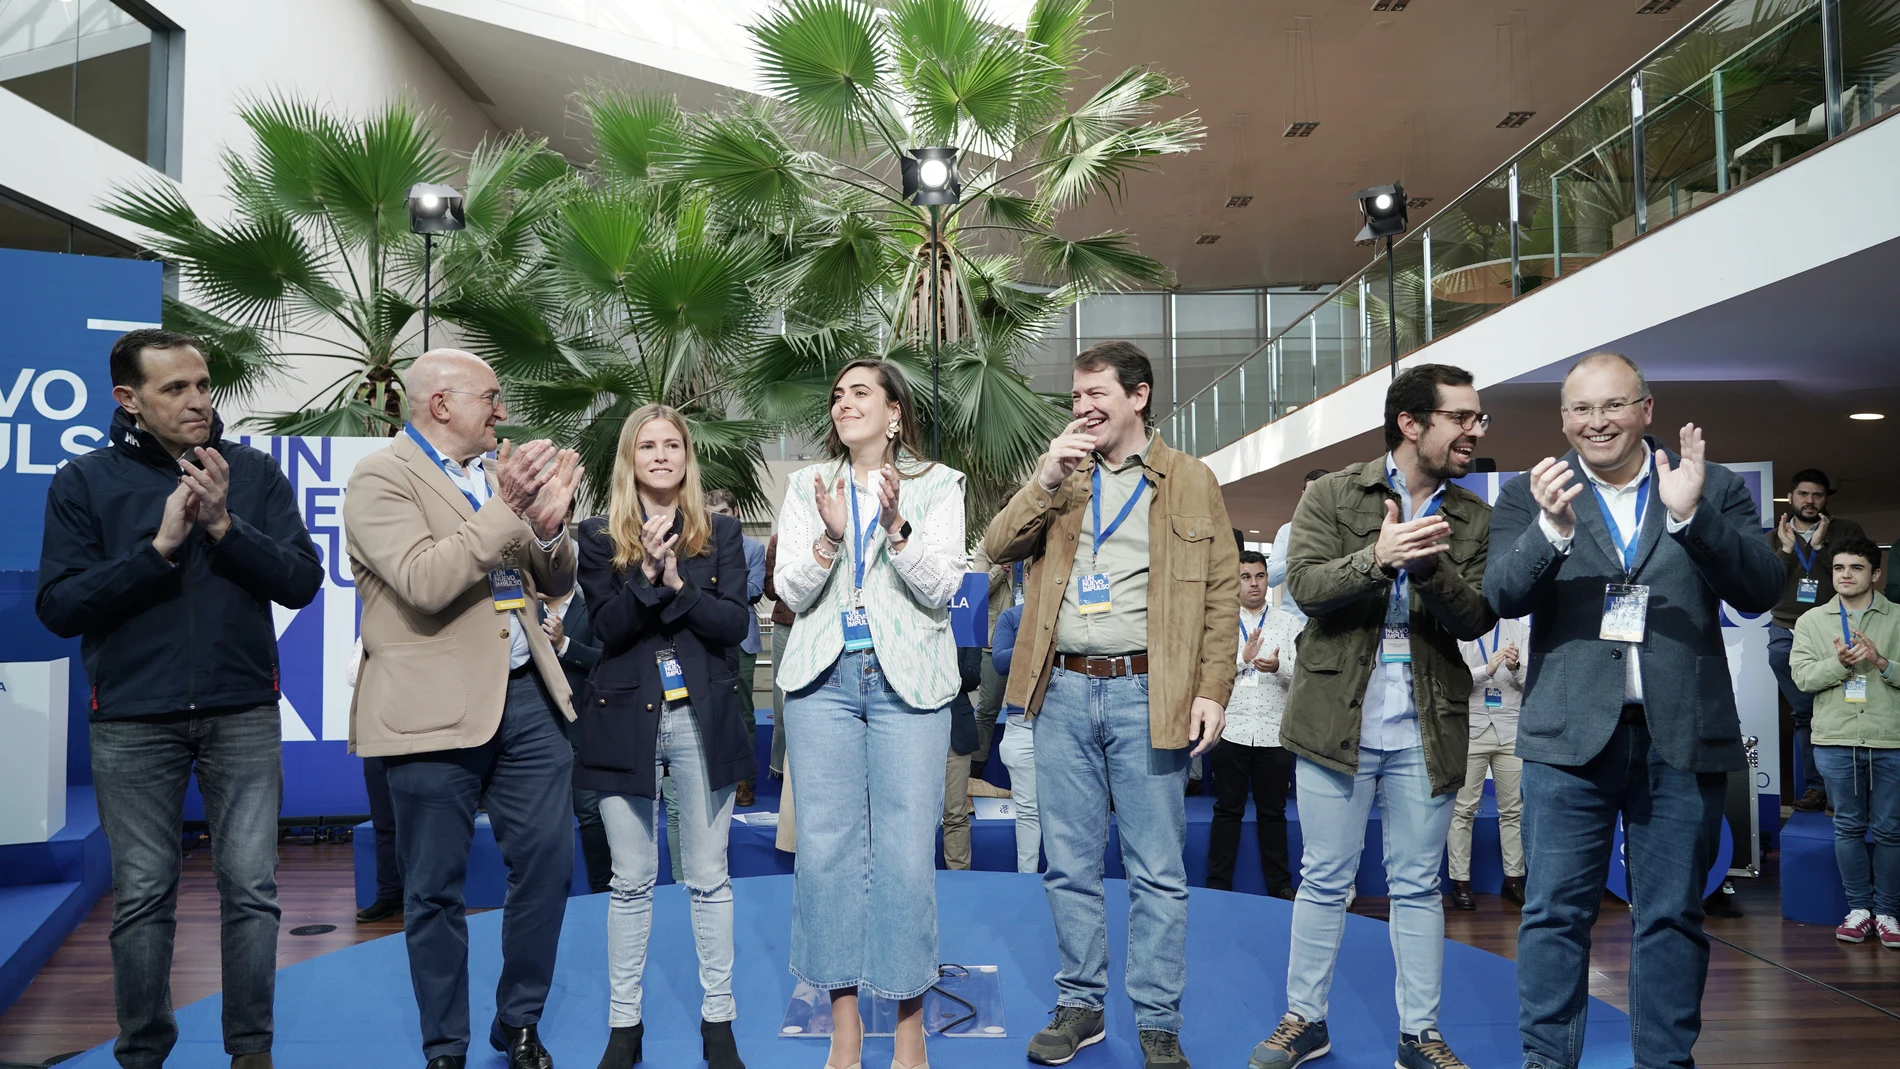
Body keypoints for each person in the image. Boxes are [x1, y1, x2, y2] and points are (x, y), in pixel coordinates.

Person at [1485, 351, 1782, 1069]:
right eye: (1582, 410)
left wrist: (1692, 518)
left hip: (1682, 738)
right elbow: (1501, 595)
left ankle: (1665, 1062)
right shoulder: (1533, 492)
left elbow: (1762, 588)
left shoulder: (1706, 488)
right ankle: (1547, 1061)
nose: (1597, 422)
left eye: (1613, 405)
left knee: (1674, 916)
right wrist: (1551, 532)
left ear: (1646, 409)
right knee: (1555, 914)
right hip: (1567, 741)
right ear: (1564, 419)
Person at [36, 328, 323, 1069]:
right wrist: (156, 552)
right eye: (176, 388)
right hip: (132, 719)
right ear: (128, 400)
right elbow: (60, 605)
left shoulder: (253, 473)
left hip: (242, 712)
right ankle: (141, 1053)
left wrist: (225, 526)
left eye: (202, 384)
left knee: (253, 891)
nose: (198, 400)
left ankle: (250, 1052)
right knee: (140, 897)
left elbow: (300, 580)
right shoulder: (83, 482)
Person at [984, 340, 1238, 1069]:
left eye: (1097, 393)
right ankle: (1081, 1005)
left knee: (1157, 869)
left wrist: (1213, 690)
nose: (1083, 407)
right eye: (1076, 397)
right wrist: (1042, 479)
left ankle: (1157, 1019)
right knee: (1068, 862)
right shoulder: (1063, 477)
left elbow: (1222, 594)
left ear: (1139, 395)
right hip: (1061, 688)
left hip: (1148, 690)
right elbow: (997, 545)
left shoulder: (1192, 480)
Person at [1248, 363, 1496, 1069]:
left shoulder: (1475, 515)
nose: (1474, 430)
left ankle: (1421, 1034)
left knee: (1417, 882)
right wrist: (1378, 558)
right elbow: (1306, 586)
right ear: (1411, 424)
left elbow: (1478, 612)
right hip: (1333, 714)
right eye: (1461, 417)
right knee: (1325, 874)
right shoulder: (1332, 492)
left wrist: (1426, 567)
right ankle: (1305, 1019)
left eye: (1478, 418)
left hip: (1430, 717)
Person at [344, 348, 584, 1069]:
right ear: (441, 404)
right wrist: (506, 509)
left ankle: (518, 1021)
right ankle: (444, 1046)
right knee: (433, 888)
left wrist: (547, 527)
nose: (503, 410)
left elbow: (555, 573)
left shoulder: (493, 477)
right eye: (491, 394)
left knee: (547, 860)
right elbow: (423, 579)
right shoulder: (379, 477)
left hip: (527, 698)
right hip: (430, 710)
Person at [773, 359, 967, 1069]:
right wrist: (828, 538)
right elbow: (789, 587)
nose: (843, 402)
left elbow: (944, 588)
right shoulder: (804, 487)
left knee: (906, 854)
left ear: (893, 413)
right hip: (823, 678)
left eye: (860, 392)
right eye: (836, 395)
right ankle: (845, 1028)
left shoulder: (940, 485)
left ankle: (910, 1027)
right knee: (825, 852)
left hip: (909, 678)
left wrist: (896, 527)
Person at [574, 404, 755, 1069]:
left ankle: (719, 1021)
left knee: (709, 877)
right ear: (630, 458)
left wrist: (677, 579)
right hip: (622, 720)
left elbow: (733, 625)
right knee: (630, 879)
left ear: (687, 456)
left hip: (702, 719)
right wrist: (648, 574)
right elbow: (608, 629)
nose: (659, 454)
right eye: (646, 445)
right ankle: (625, 1027)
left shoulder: (723, 533)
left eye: (670, 443)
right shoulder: (598, 538)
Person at [1789, 537, 1900, 948]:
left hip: (1891, 739)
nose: (1846, 575)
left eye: (1855, 568)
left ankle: (1887, 913)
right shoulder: (1812, 621)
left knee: (1890, 831)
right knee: (1848, 828)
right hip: (1836, 739)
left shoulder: (1898, 618)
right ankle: (1859, 910)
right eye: (1838, 568)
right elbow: (1802, 678)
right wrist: (1840, 663)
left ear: (1875, 573)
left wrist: (1880, 662)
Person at [1765, 469, 1867, 813]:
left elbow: (1854, 575)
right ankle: (1818, 789)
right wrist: (1787, 550)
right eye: (1803, 494)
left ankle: (1848, 793)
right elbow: (1765, 585)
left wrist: (1822, 547)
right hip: (1785, 630)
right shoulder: (1772, 537)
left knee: (1846, 709)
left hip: (1834, 627)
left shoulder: (1846, 532)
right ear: (1791, 497)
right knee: (1805, 713)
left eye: (1818, 495)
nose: (1810, 501)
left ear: (1827, 499)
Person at [1209, 550, 1300, 899]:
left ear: (1267, 579)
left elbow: (1300, 677)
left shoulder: (1289, 624)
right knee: (1227, 810)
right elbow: (1208, 673)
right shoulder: (1220, 624)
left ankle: (1280, 884)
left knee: (1273, 813)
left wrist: (1279, 668)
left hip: (1273, 733)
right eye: (1245, 577)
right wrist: (1240, 660)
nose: (1253, 583)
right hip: (1229, 728)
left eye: (1259, 576)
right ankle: (1218, 884)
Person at [1447, 615, 1530, 911]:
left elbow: (1533, 680)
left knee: (1514, 810)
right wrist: (1487, 670)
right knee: (1463, 809)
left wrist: (1515, 667)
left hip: (1510, 729)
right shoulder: (1459, 628)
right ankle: (1460, 882)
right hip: (1471, 728)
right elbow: (1451, 682)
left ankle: (1514, 880)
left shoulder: (1520, 630)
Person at [538, 572, 613, 895]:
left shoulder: (593, 609)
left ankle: (601, 889)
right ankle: (540, 892)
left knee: (590, 814)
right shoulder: (520, 611)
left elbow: (605, 660)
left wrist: (564, 644)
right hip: (534, 728)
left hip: (581, 729)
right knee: (537, 818)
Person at [708, 488, 765, 808]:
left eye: (724, 514)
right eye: (712, 516)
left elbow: (755, 589)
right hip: (705, 636)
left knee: (743, 712)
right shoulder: (697, 547)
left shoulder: (753, 548)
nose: (718, 521)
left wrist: (714, 584)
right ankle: (710, 781)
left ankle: (745, 782)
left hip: (741, 638)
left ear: (736, 512)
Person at [349, 636, 405, 923]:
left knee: (422, 822)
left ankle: (424, 894)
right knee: (384, 822)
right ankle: (390, 894)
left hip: (417, 734)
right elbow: (351, 675)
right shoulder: (368, 628)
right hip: (375, 734)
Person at [990, 597, 1040, 872]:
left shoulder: (1070, 610)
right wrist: (1036, 639)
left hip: (1066, 722)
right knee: (1028, 811)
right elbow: (999, 661)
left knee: (1072, 813)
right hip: (1021, 725)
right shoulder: (1012, 617)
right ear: (1030, 578)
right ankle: (1027, 881)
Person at [1267, 469, 1329, 622]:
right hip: (1295, 622)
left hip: (1334, 623)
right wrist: (1297, 557)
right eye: (1311, 493)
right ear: (1303, 495)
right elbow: (1271, 578)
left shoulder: (1343, 530)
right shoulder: (1287, 530)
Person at [763, 532, 794, 778]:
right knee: (780, 700)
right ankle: (778, 770)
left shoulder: (833, 534)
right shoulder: (778, 539)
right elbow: (770, 589)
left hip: (820, 624)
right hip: (786, 624)